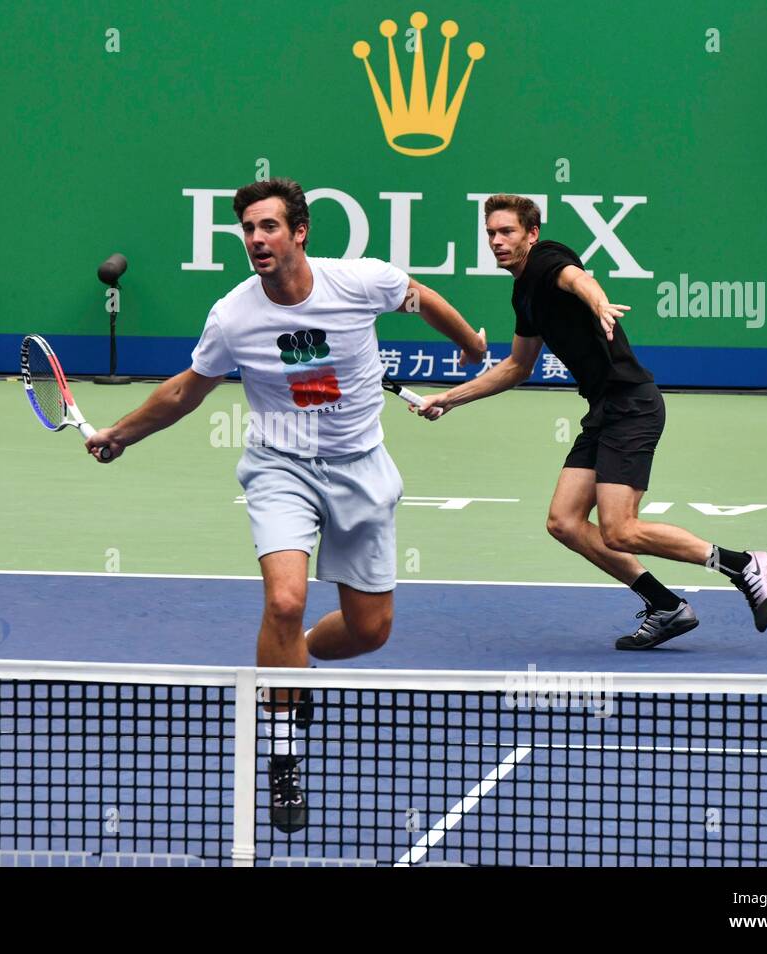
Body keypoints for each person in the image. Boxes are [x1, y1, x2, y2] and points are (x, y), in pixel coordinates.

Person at [85, 177, 485, 832]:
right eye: (247, 228)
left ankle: (289, 657)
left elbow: (421, 298)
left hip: (361, 467)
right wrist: (121, 434)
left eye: (268, 226)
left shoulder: (361, 282)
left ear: (299, 232)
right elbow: (187, 390)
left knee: (370, 631)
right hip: (280, 467)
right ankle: (284, 755)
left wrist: (469, 343)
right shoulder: (233, 316)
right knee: (285, 599)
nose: (256, 239)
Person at [416, 194, 767, 649]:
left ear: (532, 234)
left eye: (507, 231)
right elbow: (518, 366)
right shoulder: (522, 293)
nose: (496, 241)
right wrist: (450, 398)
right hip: (604, 410)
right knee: (565, 521)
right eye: (490, 233)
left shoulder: (546, 259)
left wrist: (600, 303)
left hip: (631, 405)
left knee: (620, 529)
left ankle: (742, 565)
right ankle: (665, 605)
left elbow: (578, 279)